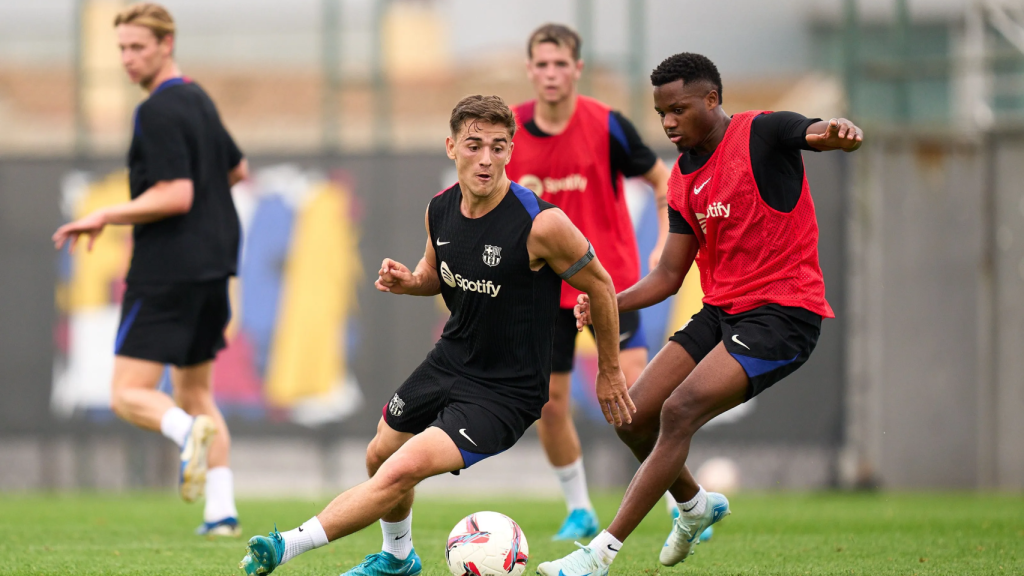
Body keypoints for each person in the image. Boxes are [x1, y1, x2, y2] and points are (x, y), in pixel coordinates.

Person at [237, 95, 634, 576]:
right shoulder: (440, 209)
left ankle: (286, 546)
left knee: (402, 467)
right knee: (379, 452)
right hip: (450, 360)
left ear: (510, 152)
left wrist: (610, 370)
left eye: (498, 147)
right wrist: (411, 281)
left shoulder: (541, 224)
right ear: (451, 147)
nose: (486, 159)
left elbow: (601, 285)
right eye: (474, 145)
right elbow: (434, 273)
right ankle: (398, 557)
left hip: (506, 390)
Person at [538, 52, 863, 576]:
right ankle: (694, 506)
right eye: (661, 112)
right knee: (632, 417)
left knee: (678, 411)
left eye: (678, 109)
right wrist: (606, 302)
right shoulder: (682, 180)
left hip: (783, 314)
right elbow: (669, 275)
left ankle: (599, 555)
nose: (668, 122)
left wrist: (837, 132)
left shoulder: (762, 133)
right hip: (722, 313)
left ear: (712, 99)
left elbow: (814, 132)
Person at [51, 2, 248, 537]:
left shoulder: (157, 109)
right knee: (196, 394)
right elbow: (237, 169)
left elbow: (176, 194)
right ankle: (222, 513)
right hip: (215, 266)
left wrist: (105, 214)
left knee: (127, 393)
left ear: (167, 44)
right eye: (121, 48)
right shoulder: (198, 99)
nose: (127, 58)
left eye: (137, 46)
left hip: (168, 268)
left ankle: (185, 434)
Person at [505, 23, 671, 541]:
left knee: (636, 399)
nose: (551, 73)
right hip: (541, 290)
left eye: (561, 64)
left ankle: (678, 501)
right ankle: (580, 508)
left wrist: (665, 242)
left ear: (577, 69)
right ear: (530, 70)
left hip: (608, 284)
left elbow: (662, 181)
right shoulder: (508, 130)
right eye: (542, 64)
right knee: (548, 404)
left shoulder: (607, 125)